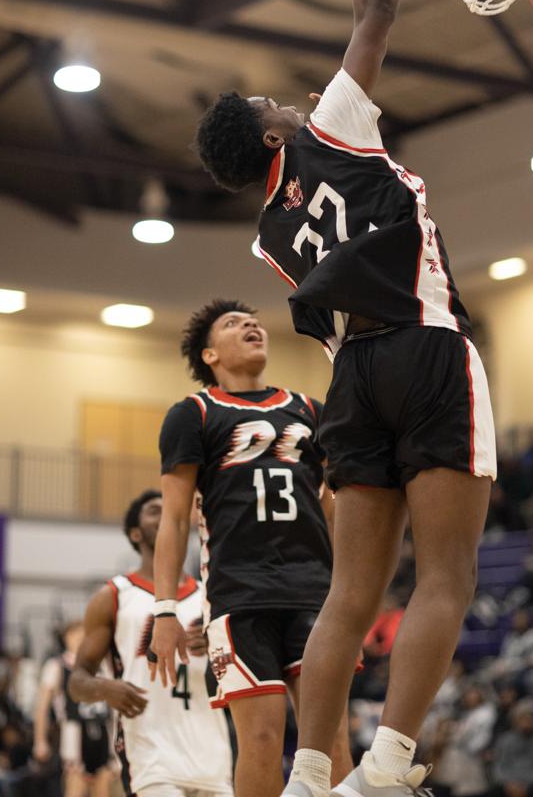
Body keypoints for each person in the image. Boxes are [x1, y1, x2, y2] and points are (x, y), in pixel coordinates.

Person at [192, 0, 497, 797]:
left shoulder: (268, 234)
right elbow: (375, 8)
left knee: (349, 595)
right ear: (269, 126)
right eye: (266, 104)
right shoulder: (330, 123)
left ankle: (312, 775)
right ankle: (387, 768)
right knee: (446, 577)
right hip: (426, 346)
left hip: (353, 380)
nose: (281, 101)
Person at [150, 300, 351, 797]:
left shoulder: (308, 410)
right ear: (210, 354)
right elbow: (174, 519)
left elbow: (335, 505)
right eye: (234, 324)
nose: (252, 325)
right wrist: (165, 610)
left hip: (315, 593)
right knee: (261, 740)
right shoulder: (193, 414)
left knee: (330, 742)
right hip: (239, 596)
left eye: (254, 321)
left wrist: (352, 585)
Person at [69, 490, 233, 797]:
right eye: (154, 511)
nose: (166, 514)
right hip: (150, 753)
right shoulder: (114, 595)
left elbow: (237, 672)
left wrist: (217, 650)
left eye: (170, 510)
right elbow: (76, 681)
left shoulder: (210, 595)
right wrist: (105, 688)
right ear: (135, 533)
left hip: (212, 751)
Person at [34, 621, 113, 797]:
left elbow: (113, 704)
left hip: (102, 732)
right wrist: (40, 740)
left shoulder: (102, 665)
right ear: (66, 637)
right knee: (75, 787)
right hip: (73, 732)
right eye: (75, 634)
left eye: (84, 634)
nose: (80, 638)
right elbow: (42, 708)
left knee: (104, 788)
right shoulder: (57, 665)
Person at [489, 701, 533, 797]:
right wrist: (509, 784)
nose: (525, 722)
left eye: (528, 717)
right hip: (509, 783)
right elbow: (499, 766)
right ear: (514, 721)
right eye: (521, 718)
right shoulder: (505, 740)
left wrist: (525, 785)